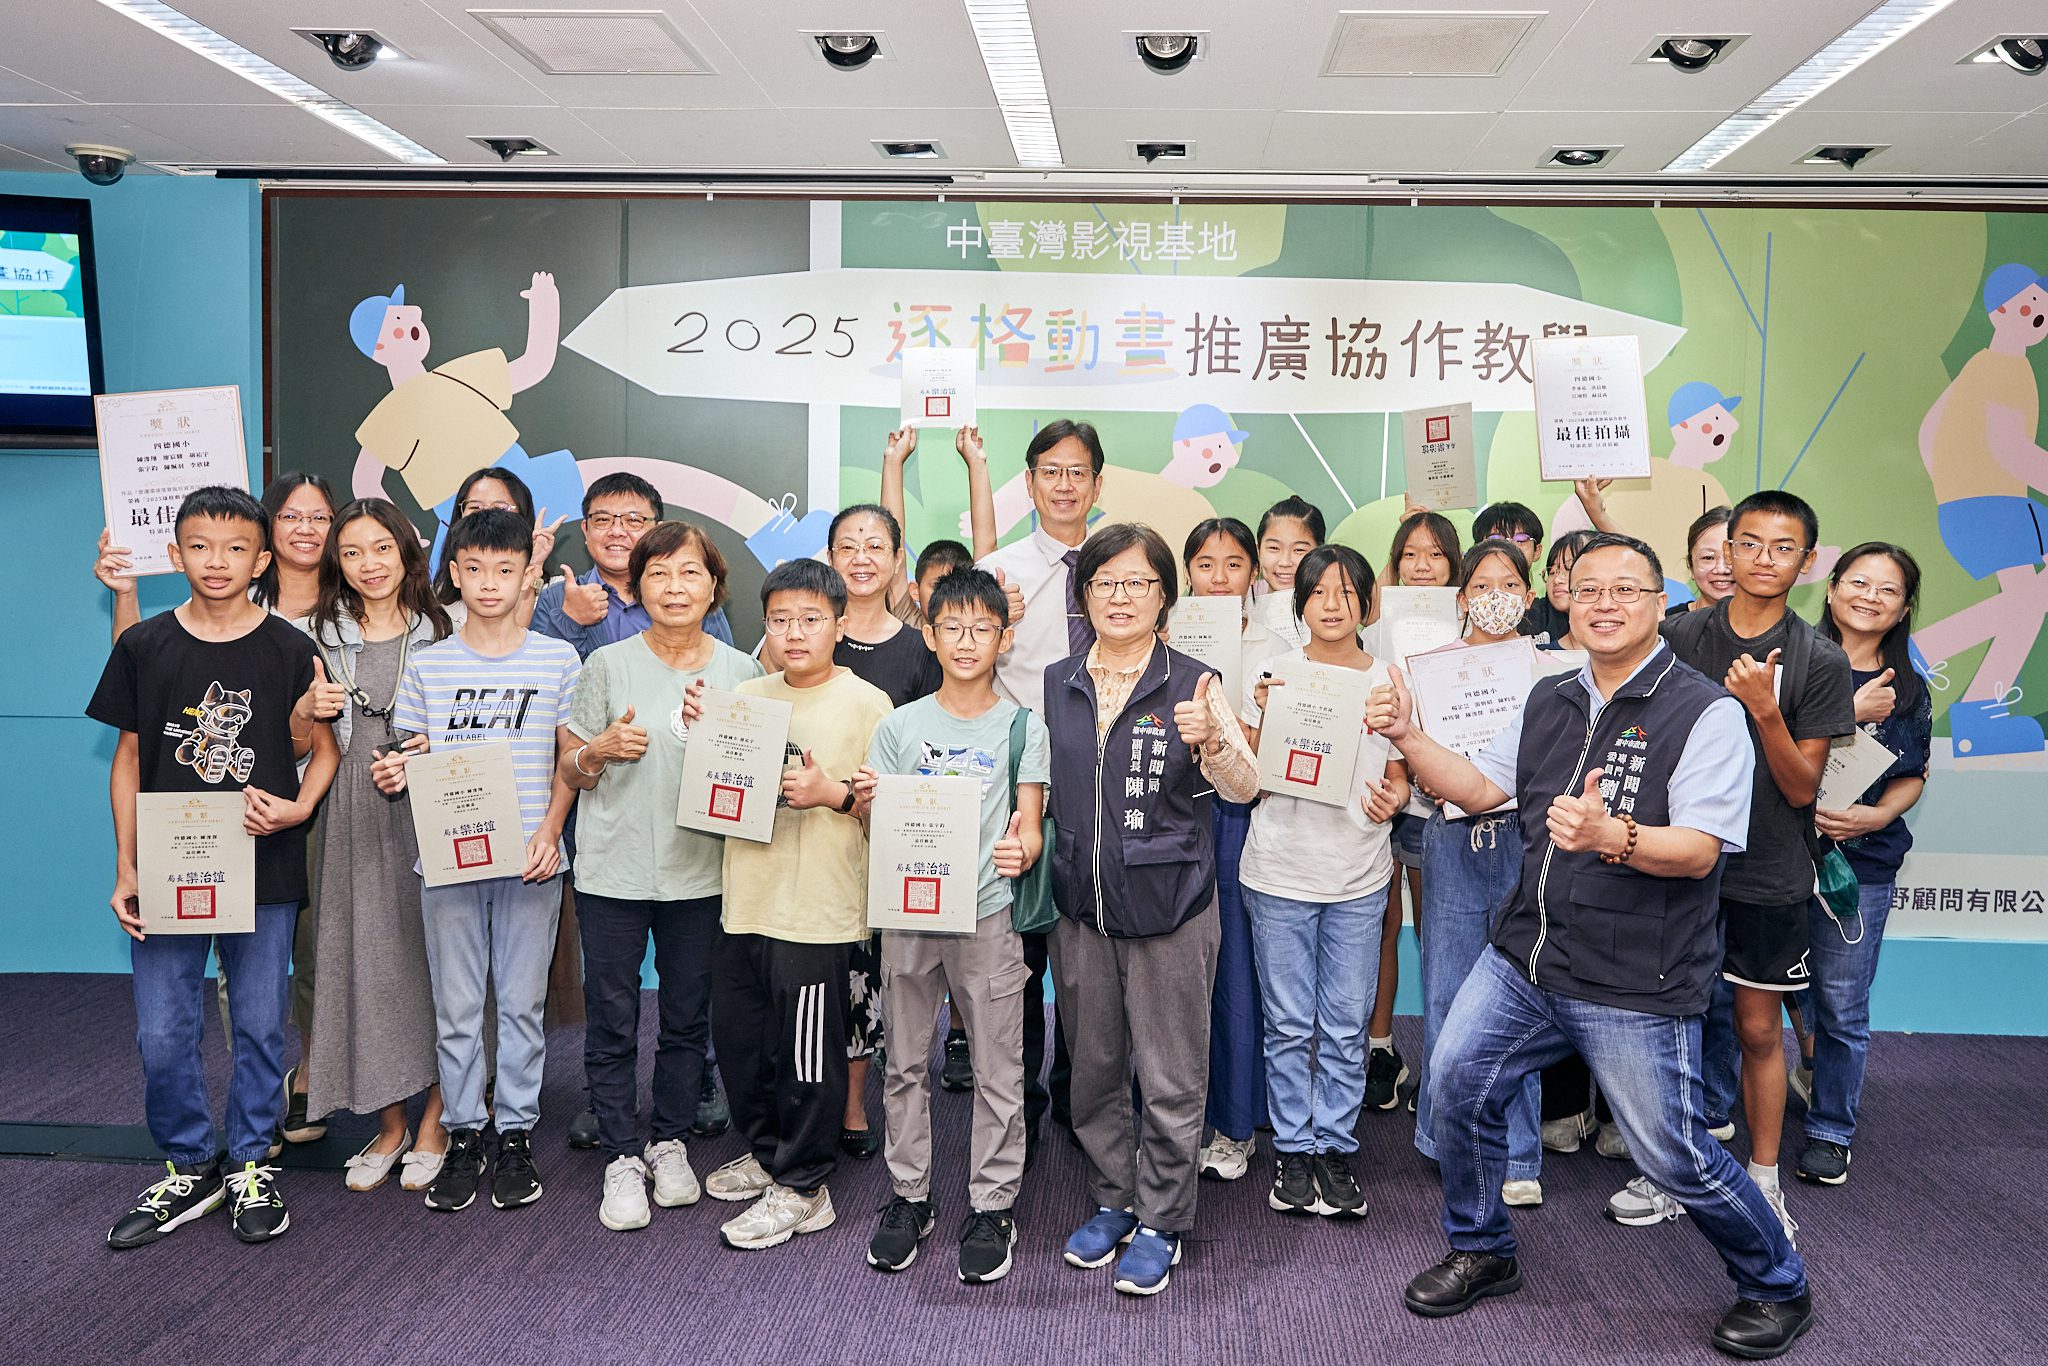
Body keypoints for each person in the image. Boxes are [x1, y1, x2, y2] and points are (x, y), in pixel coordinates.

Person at [1370, 531, 1814, 1360]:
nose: (1605, 604)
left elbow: (1701, 850)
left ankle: (1777, 1283)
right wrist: (1407, 736)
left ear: (1659, 604)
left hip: (1632, 976)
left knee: (1672, 1154)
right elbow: (1479, 788)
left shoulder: (1705, 712)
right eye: (1588, 589)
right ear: (1566, 602)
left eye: (1626, 590)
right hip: (1527, 959)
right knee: (1457, 1088)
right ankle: (1482, 1248)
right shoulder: (1549, 697)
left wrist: (1616, 835)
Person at [91, 486, 337, 1249]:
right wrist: (127, 864)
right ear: (175, 554)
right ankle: (191, 1164)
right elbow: (128, 759)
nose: (217, 561)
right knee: (162, 1032)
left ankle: (251, 1162)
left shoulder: (291, 648)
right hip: (169, 869)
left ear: (262, 561)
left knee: (260, 1025)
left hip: (264, 867)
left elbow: (325, 751)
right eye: (200, 546)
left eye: (236, 548)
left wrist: (297, 809)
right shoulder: (144, 645)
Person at [1611, 491, 1853, 1243]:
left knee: (1755, 1029)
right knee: (1668, 1021)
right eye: (1748, 543)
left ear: (1806, 561)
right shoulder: (1680, 635)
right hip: (1679, 857)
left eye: (1783, 548)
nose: (1762, 559)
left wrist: (1765, 710)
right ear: (1726, 549)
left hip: (1769, 868)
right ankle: (1670, 1171)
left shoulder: (1819, 659)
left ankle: (1764, 1180)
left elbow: (1803, 788)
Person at [1045, 523, 1260, 1297]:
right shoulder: (1058, 680)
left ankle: (1163, 1217)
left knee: (1171, 1073)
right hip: (1084, 908)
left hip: (1172, 906)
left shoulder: (1195, 683)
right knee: (1095, 1070)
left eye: (1138, 582)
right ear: (1085, 596)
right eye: (1106, 582)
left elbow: (1246, 786)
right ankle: (1114, 1198)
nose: (1121, 596)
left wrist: (1212, 745)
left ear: (1163, 595)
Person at [557, 520, 761, 1231]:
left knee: (686, 1018)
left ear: (714, 587)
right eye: (659, 574)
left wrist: (724, 737)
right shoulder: (605, 665)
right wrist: (600, 750)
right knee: (612, 1017)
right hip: (613, 872)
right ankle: (620, 1153)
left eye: (690, 573)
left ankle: (669, 1141)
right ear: (637, 587)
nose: (675, 587)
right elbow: (570, 770)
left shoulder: (742, 674)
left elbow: (756, 782)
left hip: (701, 874)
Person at [378, 508, 581, 1214]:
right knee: (458, 1005)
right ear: (454, 575)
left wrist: (551, 831)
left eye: (504, 569)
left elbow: (570, 760)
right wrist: (398, 771)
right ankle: (464, 1132)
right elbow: (413, 752)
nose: (489, 583)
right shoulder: (429, 664)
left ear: (527, 574)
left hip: (530, 859)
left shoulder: (558, 659)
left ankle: (516, 1133)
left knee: (522, 1005)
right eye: (474, 569)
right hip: (450, 859)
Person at [853, 566, 1049, 1283]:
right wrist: (867, 806)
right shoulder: (899, 727)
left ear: (1004, 637)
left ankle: (993, 1205)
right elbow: (876, 828)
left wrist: (1022, 850)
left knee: (999, 1067)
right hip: (908, 916)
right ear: (930, 636)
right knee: (904, 1064)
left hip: (988, 914)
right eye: (953, 628)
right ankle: (910, 1197)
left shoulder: (1024, 727)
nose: (967, 642)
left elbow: (1030, 827)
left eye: (982, 628)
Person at [696, 560, 893, 1251]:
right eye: (780, 620)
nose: (795, 632)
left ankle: (806, 1185)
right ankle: (770, 1149)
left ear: (840, 625)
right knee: (742, 1043)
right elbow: (716, 789)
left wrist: (832, 794)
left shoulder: (869, 704)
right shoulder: (745, 697)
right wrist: (703, 736)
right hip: (747, 899)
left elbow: (891, 818)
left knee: (809, 1056)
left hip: (819, 912)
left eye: (811, 619)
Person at [1240, 544, 1408, 1219]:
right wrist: (1261, 716)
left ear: (1367, 603)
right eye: (1318, 593)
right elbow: (1250, 776)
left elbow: (1400, 775)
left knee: (1344, 1025)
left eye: (1346, 592)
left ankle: (1334, 1147)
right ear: (1300, 604)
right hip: (1279, 870)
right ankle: (1292, 1148)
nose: (1332, 605)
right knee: (1286, 1024)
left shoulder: (1389, 679)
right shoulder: (1275, 673)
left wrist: (1395, 799)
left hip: (1358, 875)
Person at [301, 500, 453, 1193]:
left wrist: (427, 751)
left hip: (434, 812)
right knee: (364, 963)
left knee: (442, 964)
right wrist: (305, 710)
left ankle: (438, 1120)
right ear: (338, 562)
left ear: (407, 551)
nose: (370, 564)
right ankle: (390, 1125)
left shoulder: (446, 629)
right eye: (353, 552)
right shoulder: (314, 635)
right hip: (350, 815)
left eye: (382, 548)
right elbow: (293, 742)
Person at [978, 418, 1102, 1157]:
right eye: (1050, 471)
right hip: (1020, 794)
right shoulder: (997, 572)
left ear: (1097, 483)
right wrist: (999, 629)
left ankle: (1079, 1095)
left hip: (1102, 791)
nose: (1063, 484)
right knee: (1017, 961)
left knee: (1087, 963)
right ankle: (1017, 1100)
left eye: (1077, 471)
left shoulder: (1119, 565)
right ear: (1029, 483)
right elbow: (964, 671)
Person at [1411, 540, 1547, 1207]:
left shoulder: (1551, 669)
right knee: (1448, 992)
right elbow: (1412, 758)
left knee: (1524, 995)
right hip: (1454, 841)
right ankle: (1448, 1141)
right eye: (1483, 585)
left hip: (1529, 840)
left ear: (1529, 594)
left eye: (1510, 584)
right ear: (1462, 598)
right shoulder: (1429, 672)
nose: (1497, 596)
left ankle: (1519, 1152)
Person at [1795, 544, 1931, 1186]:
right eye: (1858, 582)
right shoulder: (1792, 663)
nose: (1870, 596)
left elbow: (1913, 775)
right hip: (1776, 857)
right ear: (1831, 589)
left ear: (1903, 608)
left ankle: (1831, 1130)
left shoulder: (1909, 689)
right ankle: (1716, 1115)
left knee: (1842, 1004)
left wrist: (1876, 817)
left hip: (1861, 865)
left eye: (1888, 589)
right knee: (1742, 994)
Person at [826, 501, 943, 1159]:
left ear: (899, 560)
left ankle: (855, 1101)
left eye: (876, 546)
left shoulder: (920, 649)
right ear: (830, 558)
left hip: (884, 838)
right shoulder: (804, 630)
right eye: (848, 546)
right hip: (809, 832)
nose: (861, 558)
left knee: (867, 973)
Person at [1914, 263, 2048, 755]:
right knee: (2027, 603)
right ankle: (1956, 683)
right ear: (1998, 313)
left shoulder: (1982, 366)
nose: (2037, 315)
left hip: (1978, 503)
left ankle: (1973, 708)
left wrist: (1950, 484)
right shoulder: (2004, 367)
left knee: (2027, 602)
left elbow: (1929, 432)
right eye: (2026, 305)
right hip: (1993, 505)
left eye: (2042, 307)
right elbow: (2011, 451)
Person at [1363, 511, 1463, 1112]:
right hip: (1379, 793)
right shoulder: (1374, 628)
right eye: (1409, 554)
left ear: (1454, 564)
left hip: (1437, 803)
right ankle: (1379, 1049)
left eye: (1435, 555)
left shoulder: (1467, 624)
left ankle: (1441, 1061)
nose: (1422, 566)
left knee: (1434, 931)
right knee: (1380, 921)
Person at [1179, 518, 1268, 1183]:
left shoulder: (1275, 646)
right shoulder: (1163, 636)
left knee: (1234, 969)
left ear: (1252, 574)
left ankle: (1237, 1124)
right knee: (1172, 977)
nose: (1219, 577)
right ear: (1187, 573)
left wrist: (1248, 720)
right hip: (1170, 816)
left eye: (1233, 564)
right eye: (1205, 564)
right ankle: (1174, 1119)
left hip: (1237, 815)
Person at [532, 470, 734, 653]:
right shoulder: (555, 599)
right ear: (585, 529)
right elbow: (540, 675)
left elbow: (725, 673)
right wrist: (570, 619)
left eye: (633, 520)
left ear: (657, 531)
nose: (616, 531)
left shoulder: (689, 598)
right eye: (603, 520)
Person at [430, 467, 560, 630]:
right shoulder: (434, 600)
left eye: (500, 509)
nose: (486, 517)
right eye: (475, 508)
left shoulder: (555, 593)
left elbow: (513, 638)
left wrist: (533, 564)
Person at [1249, 495, 1324, 650]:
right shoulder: (1243, 601)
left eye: (1298, 550)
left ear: (1320, 552)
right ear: (1258, 550)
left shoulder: (1333, 606)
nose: (1285, 562)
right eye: (1274, 548)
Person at [1670, 507, 1736, 617]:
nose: (1721, 569)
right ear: (1691, 565)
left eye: (1731, 557)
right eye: (1708, 558)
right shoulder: (1666, 623)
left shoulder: (1767, 623)